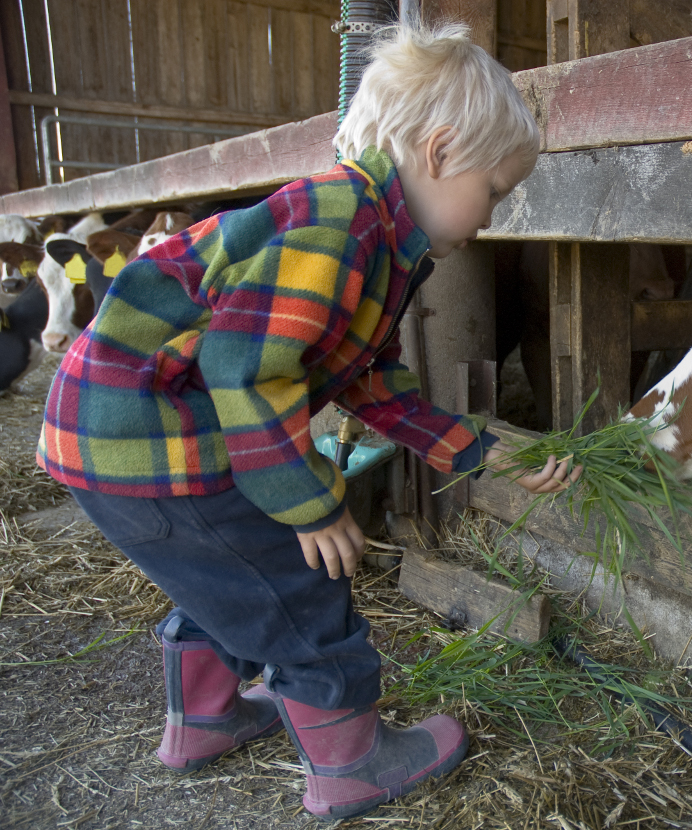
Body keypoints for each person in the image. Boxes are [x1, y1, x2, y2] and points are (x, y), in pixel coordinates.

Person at [37, 20, 581, 821]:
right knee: (298, 581)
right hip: (146, 439)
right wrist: (310, 502)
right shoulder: (335, 226)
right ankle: (352, 762)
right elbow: (244, 369)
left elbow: (374, 388)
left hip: (129, 437)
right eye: (495, 190)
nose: (493, 217)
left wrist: (478, 453)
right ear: (437, 153)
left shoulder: (378, 244)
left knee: (226, 572)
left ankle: (207, 720)